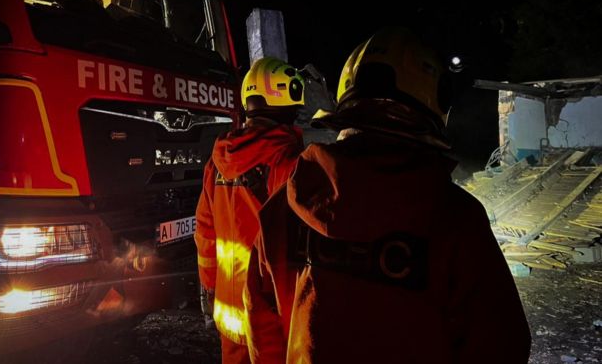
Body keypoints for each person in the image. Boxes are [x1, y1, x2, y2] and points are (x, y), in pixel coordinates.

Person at [243, 27, 532, 363]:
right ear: (436, 104)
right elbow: (501, 342)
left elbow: (261, 320)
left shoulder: (286, 205)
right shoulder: (456, 218)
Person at [195, 57, 305, 364]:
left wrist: (209, 287)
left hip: (229, 315)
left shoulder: (217, 162)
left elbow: (205, 233)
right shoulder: (288, 162)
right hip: (272, 320)